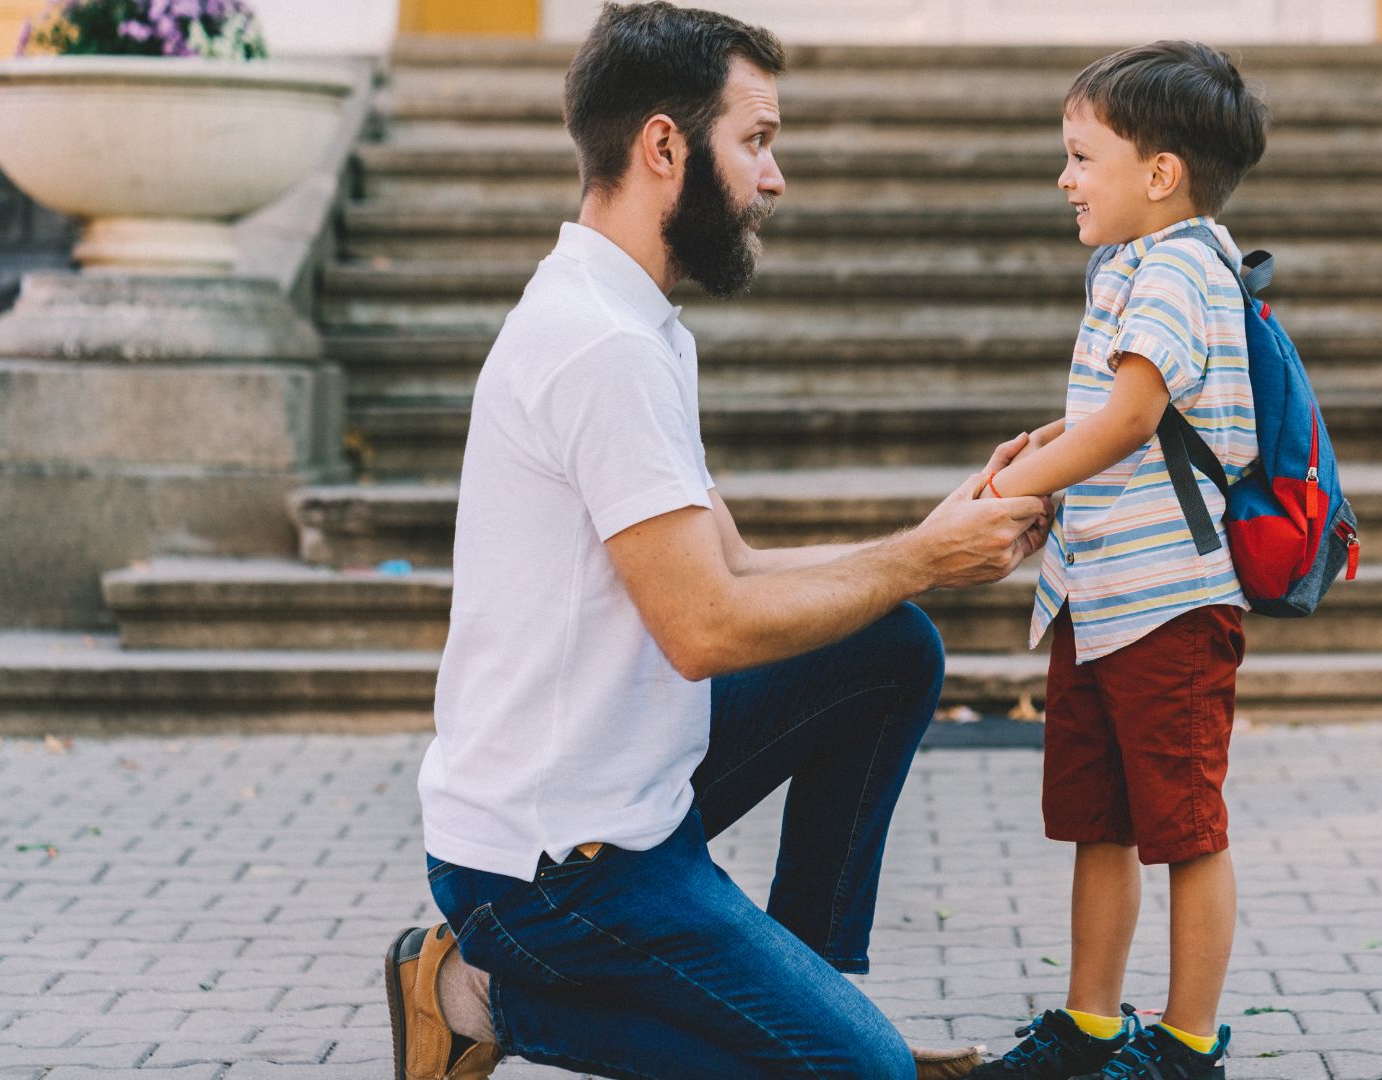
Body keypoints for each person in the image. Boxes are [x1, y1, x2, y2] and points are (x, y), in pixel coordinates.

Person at [380, 4, 1050, 1078]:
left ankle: (813, 1002)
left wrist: (925, 540)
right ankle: (473, 994)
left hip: (628, 789)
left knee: (890, 648)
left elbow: (728, 570)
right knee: (864, 1075)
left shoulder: (632, 319)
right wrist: (922, 559)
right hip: (551, 872)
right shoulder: (603, 348)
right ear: (663, 146)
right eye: (757, 141)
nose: (773, 178)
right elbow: (705, 627)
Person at [966, 41, 1269, 1080]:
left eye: (1080, 155)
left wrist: (1019, 487)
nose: (1065, 177)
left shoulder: (1184, 265)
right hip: (1100, 597)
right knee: (1101, 821)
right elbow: (1107, 415)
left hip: (1171, 604)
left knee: (1185, 827)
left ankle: (1186, 1047)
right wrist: (1041, 454)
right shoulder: (1135, 266)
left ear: (1159, 173)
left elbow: (1134, 417)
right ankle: (1091, 1023)